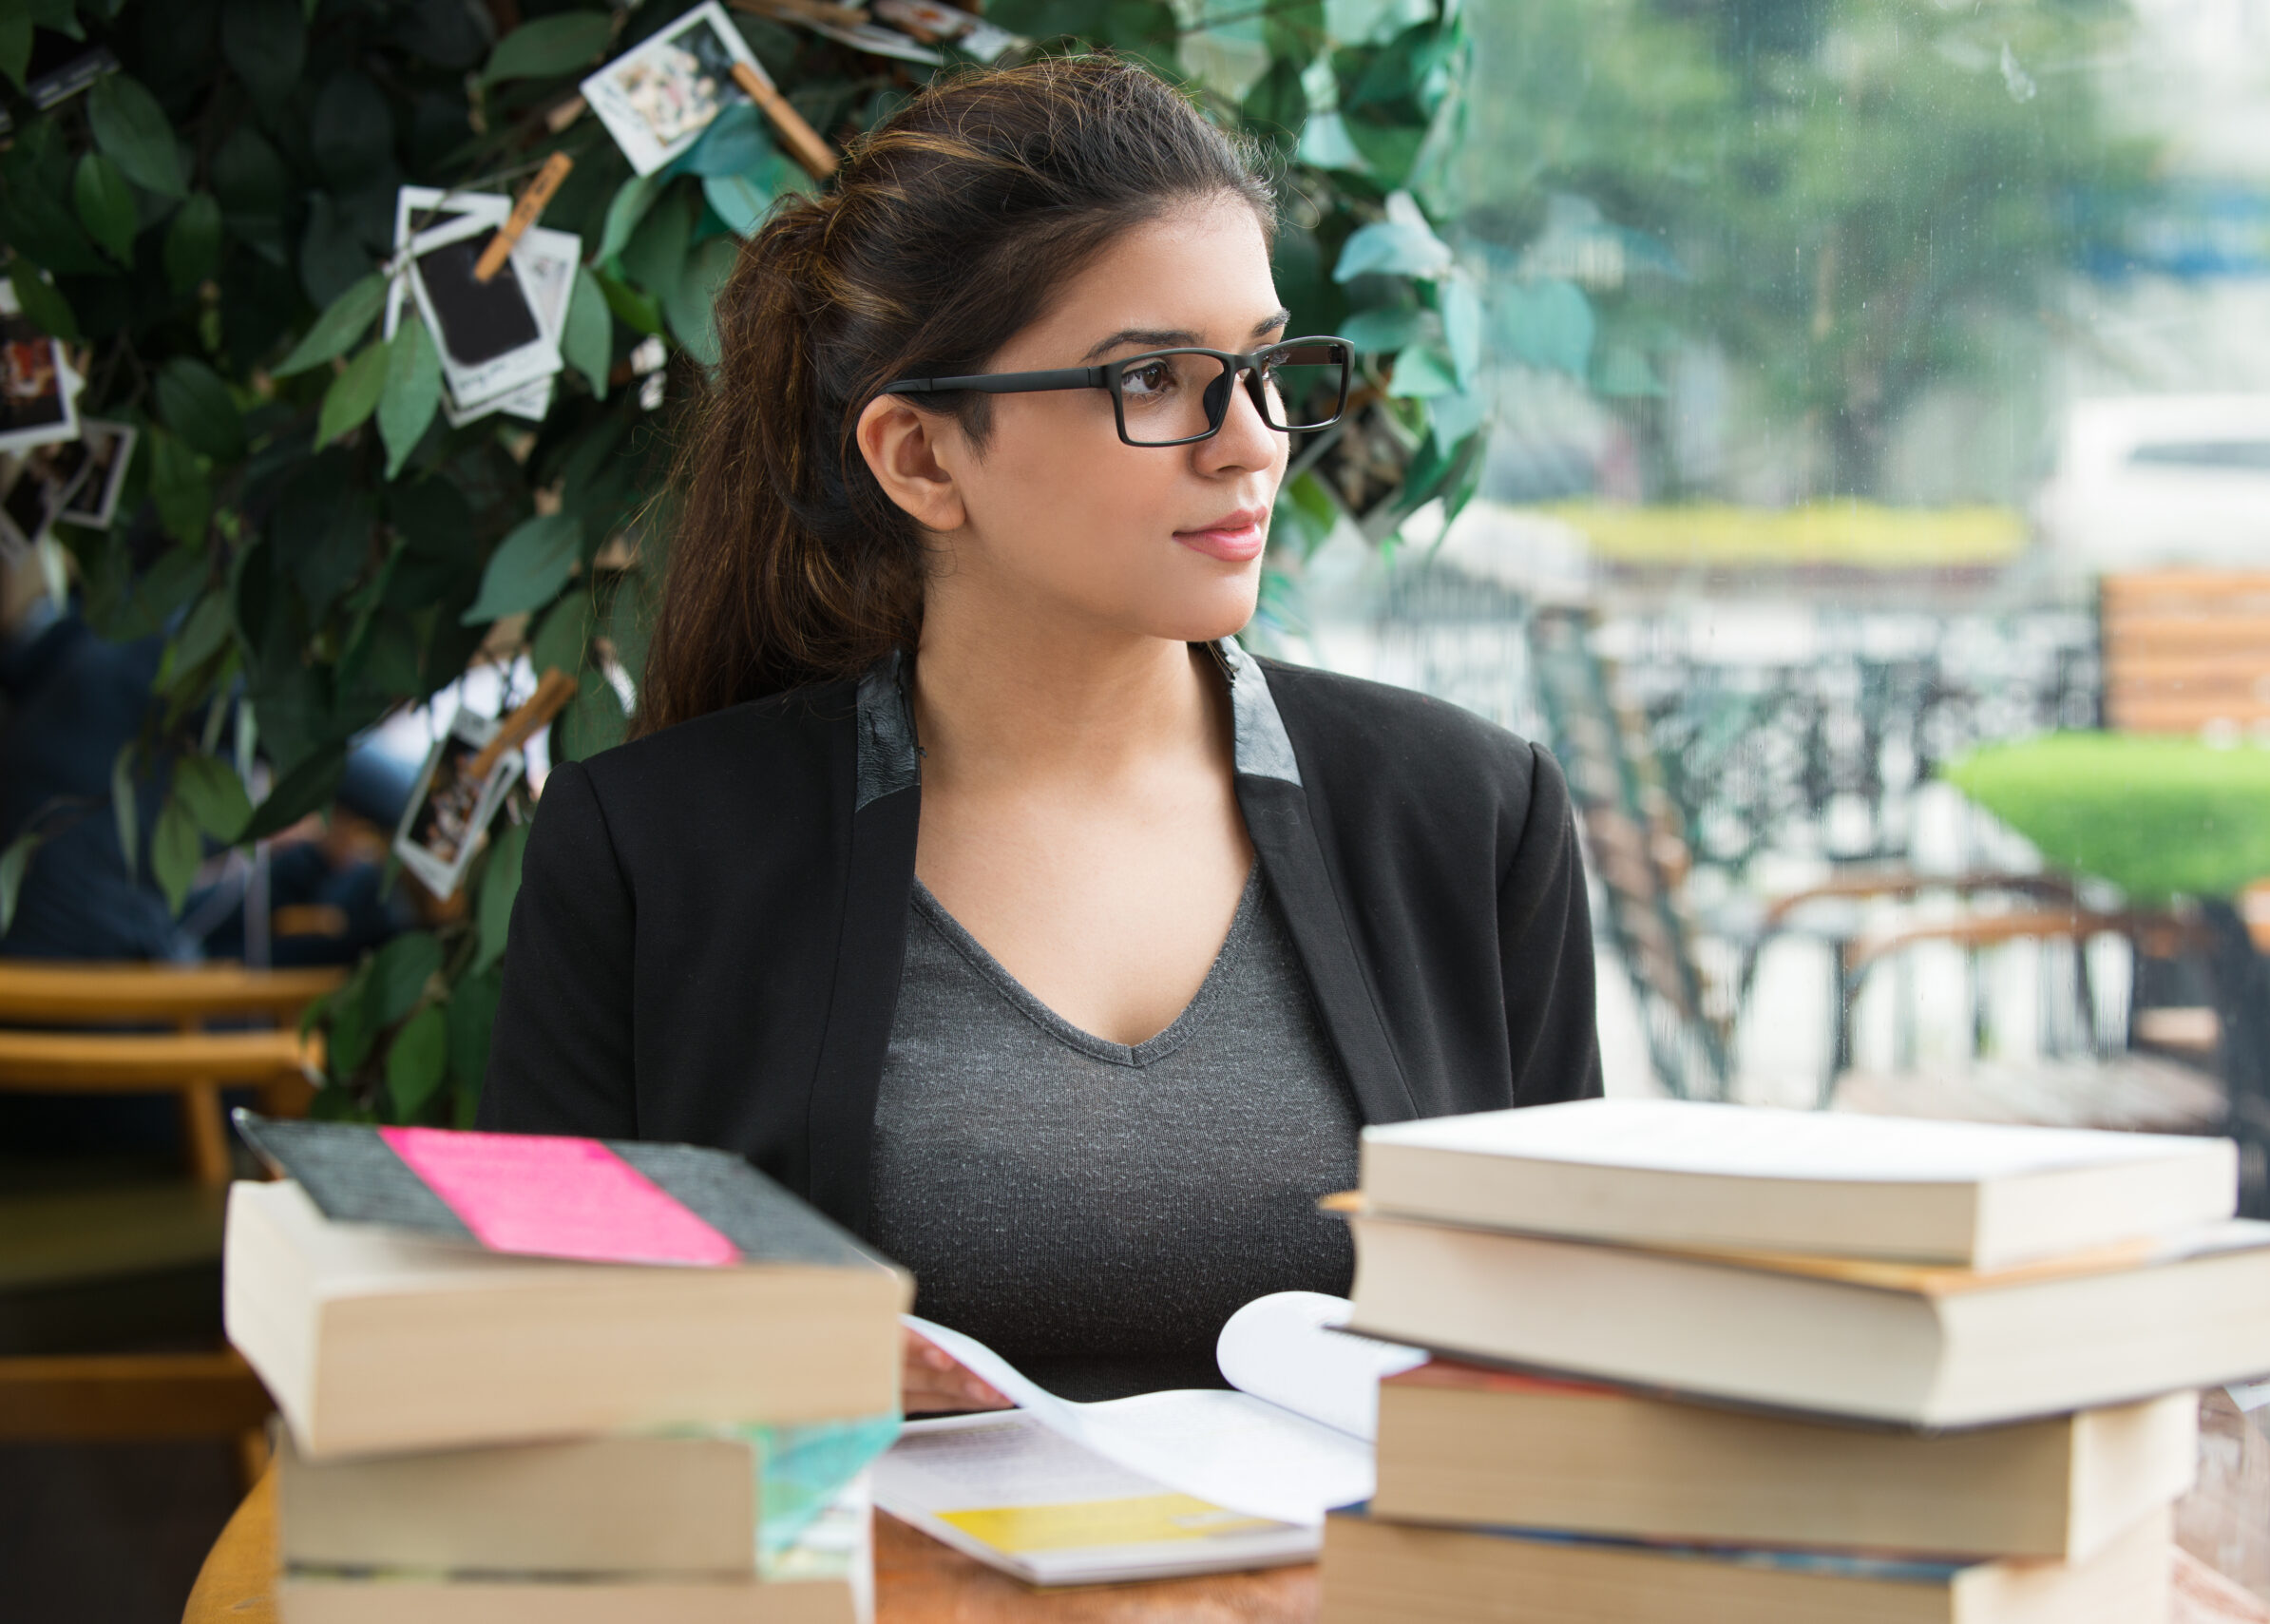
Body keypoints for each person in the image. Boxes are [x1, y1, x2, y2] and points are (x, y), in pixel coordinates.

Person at [480, 54, 1601, 1408]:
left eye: (1262, 364)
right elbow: (537, 1374)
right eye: (1156, 380)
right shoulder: (651, 853)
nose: (1249, 441)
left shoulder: (1468, 817)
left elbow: (1567, 1360)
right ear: (922, 457)